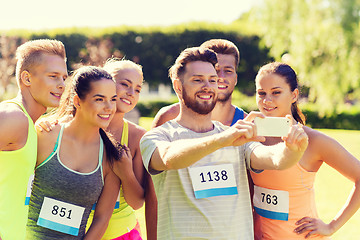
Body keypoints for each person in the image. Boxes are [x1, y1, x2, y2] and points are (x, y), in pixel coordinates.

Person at [140, 47, 309, 239]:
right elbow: (168, 158)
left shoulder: (235, 137)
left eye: (212, 80)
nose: (207, 86)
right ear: (178, 86)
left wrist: (292, 150)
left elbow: (274, 159)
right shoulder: (157, 137)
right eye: (197, 80)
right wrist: (223, 140)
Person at [250, 62, 360, 239]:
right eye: (261, 93)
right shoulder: (249, 135)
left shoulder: (313, 141)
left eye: (276, 92)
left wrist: (331, 226)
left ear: (294, 95)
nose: (267, 100)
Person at [26, 66, 125, 239]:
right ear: (78, 102)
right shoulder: (46, 135)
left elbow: (102, 219)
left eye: (113, 99)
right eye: (100, 99)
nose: (109, 107)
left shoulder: (111, 156)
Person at [0, 39, 68, 240]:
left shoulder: (29, 123)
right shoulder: (14, 117)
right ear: (27, 78)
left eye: (64, 78)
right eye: (53, 76)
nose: (62, 85)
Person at [85, 59, 156, 240]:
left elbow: (137, 202)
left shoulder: (137, 136)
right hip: (72, 230)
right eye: (124, 84)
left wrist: (126, 173)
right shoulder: (70, 127)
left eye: (138, 89)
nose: (131, 93)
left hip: (121, 234)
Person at [152, 39, 246, 128]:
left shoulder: (249, 123)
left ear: (236, 78)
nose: (220, 77)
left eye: (228, 71)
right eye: (215, 70)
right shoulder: (168, 117)